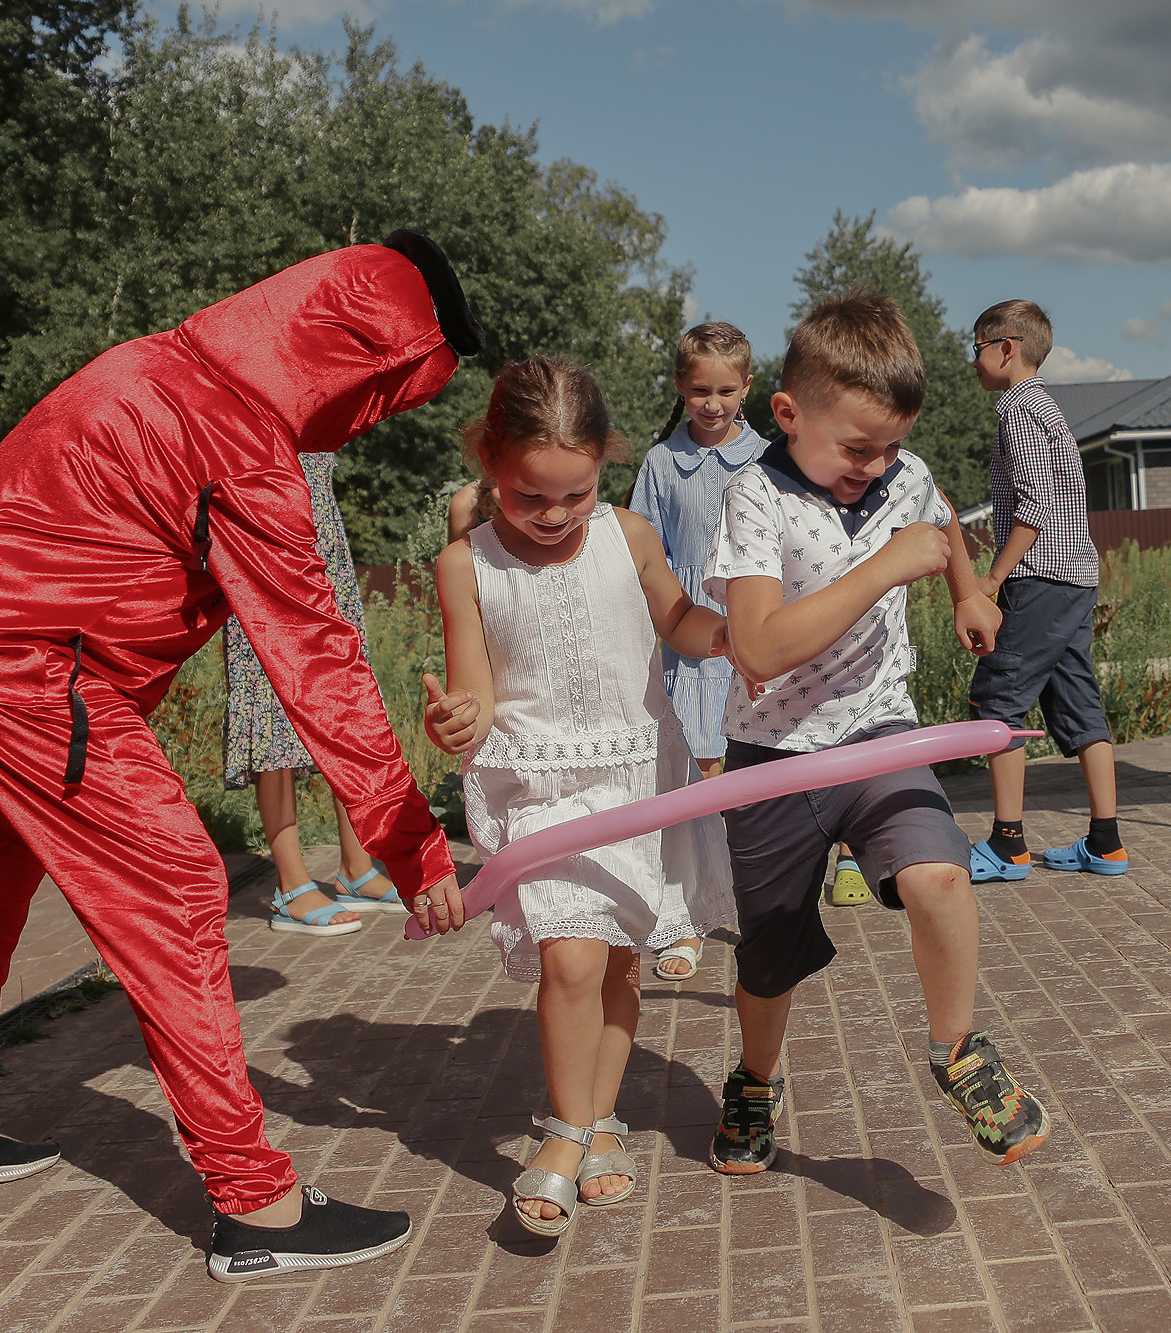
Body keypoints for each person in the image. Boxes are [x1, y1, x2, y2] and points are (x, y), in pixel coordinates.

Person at [0, 235, 482, 1283]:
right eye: (394, 394)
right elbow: (318, 665)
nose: (380, 416)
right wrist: (414, 844)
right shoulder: (237, 440)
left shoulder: (148, 364)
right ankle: (257, 1206)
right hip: (9, 654)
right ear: (368, 358)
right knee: (181, 886)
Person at [704, 293, 1051, 1177]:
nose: (877, 464)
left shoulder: (906, 473)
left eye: (891, 444)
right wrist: (883, 568)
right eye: (857, 447)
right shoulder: (754, 497)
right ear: (788, 413)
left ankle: (959, 1049)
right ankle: (754, 1076)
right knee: (770, 954)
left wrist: (967, 592)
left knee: (939, 873)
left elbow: (937, 520)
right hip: (773, 756)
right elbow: (758, 644)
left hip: (878, 733)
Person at [420, 356, 735, 1236]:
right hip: (545, 784)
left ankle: (601, 1124)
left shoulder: (628, 535)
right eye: (531, 497)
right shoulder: (464, 564)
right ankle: (564, 1132)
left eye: (576, 494)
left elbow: (678, 620)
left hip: (641, 776)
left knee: (619, 960)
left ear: (604, 464)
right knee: (569, 954)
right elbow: (474, 688)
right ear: (489, 459)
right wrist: (459, 719)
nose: (556, 516)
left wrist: (733, 634)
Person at [965, 301, 1127, 883]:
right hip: (1076, 578)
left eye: (976, 347)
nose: (973, 361)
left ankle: (1009, 845)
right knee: (1078, 703)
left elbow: (1033, 505)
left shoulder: (1019, 412)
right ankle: (1105, 843)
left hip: (1040, 579)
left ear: (1006, 347)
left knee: (999, 702)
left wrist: (991, 578)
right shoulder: (1047, 410)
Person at [627, 322, 766, 979]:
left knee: (746, 777)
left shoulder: (770, 457)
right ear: (681, 390)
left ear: (747, 387)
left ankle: (752, 903)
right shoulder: (660, 463)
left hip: (755, 634)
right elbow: (640, 549)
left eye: (726, 389)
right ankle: (681, 920)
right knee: (688, 778)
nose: (713, 402)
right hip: (685, 640)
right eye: (699, 390)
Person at [223, 452, 405, 937]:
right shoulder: (237, 391)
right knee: (269, 703)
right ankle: (290, 885)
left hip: (324, 556)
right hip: (259, 555)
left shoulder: (306, 388)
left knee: (344, 704)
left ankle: (355, 867)